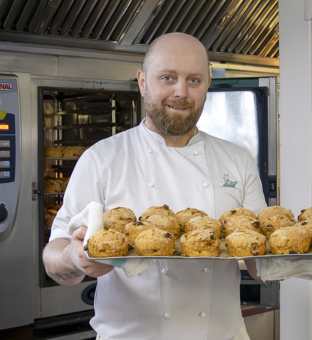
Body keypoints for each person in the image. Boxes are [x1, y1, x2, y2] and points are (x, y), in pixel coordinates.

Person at [43, 33, 267, 340]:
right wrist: (74, 257)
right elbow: (54, 260)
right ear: (143, 81)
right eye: (167, 77)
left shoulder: (236, 160)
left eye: (194, 80)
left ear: (207, 84)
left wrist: (294, 259)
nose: (181, 92)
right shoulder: (102, 158)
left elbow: (261, 262)